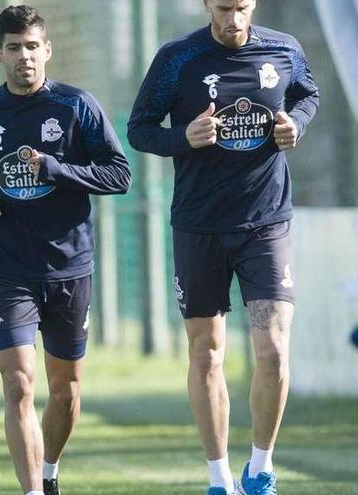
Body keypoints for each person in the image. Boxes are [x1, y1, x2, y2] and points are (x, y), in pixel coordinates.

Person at [127, 1, 319, 494]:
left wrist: (295, 123)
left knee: (273, 348)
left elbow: (308, 95)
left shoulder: (284, 49)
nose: (232, 19)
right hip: (199, 226)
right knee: (207, 354)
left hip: (266, 223)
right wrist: (183, 137)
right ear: (206, 5)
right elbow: (140, 129)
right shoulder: (178, 58)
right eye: (221, 7)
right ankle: (220, 479)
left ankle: (261, 467)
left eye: (240, 7)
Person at [0, 5, 131, 495]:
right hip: (7, 267)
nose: (24, 56)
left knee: (66, 392)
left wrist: (56, 170)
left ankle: (48, 472)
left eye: (32, 47)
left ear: (47, 50)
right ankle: (31, 491)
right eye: (14, 48)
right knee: (19, 384)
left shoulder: (76, 106)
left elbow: (119, 174)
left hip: (69, 265)